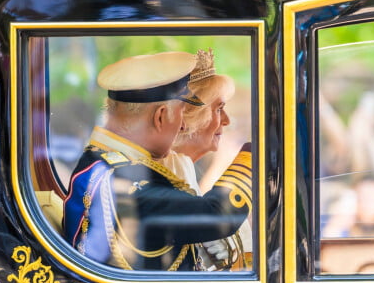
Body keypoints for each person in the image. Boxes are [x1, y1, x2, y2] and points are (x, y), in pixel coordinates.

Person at [62, 51, 252, 271]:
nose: (182, 126)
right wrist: (255, 154)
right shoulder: (125, 183)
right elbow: (218, 216)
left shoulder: (102, 160)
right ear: (161, 116)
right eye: (181, 112)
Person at [167, 48, 253, 271]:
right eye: (219, 109)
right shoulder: (164, 182)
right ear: (186, 118)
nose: (226, 121)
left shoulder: (186, 174)